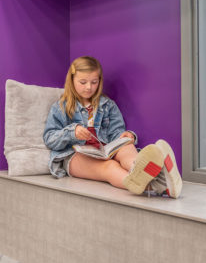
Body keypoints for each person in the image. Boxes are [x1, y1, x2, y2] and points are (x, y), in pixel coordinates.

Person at [43, 56, 182, 197]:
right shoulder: (61, 107)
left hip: (105, 151)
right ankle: (157, 185)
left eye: (94, 82)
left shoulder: (108, 105)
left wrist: (127, 137)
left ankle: (141, 170)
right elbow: (49, 138)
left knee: (127, 146)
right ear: (72, 80)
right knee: (110, 167)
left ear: (99, 81)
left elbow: (116, 133)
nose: (89, 87)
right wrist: (72, 132)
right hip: (75, 156)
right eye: (83, 82)